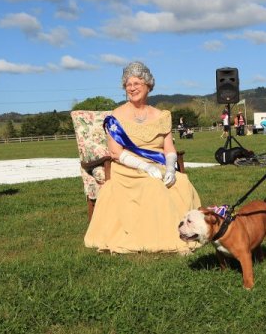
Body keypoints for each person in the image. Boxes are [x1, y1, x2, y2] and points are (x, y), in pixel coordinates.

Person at [84, 61, 201, 254]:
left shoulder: (161, 115)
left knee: (181, 182)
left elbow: (169, 148)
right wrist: (145, 167)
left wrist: (171, 168)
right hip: (128, 169)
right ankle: (167, 238)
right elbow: (115, 152)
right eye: (128, 85)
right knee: (153, 185)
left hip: (159, 165)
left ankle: (189, 231)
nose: (132, 88)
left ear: (148, 85)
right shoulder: (116, 116)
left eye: (137, 83)